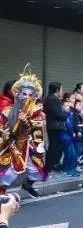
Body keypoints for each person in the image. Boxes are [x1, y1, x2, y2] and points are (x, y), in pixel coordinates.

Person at [0, 67, 48, 198]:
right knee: (10, 172)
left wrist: (26, 122)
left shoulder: (37, 112)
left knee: (38, 171)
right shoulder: (8, 110)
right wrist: (5, 134)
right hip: (10, 145)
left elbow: (37, 130)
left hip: (29, 144)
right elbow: (2, 126)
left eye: (30, 94)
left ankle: (27, 184)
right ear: (18, 94)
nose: (27, 97)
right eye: (24, 94)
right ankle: (2, 192)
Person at [44, 81, 67, 173]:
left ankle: (52, 164)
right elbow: (58, 114)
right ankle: (49, 166)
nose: (62, 91)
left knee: (56, 147)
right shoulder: (52, 99)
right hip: (54, 127)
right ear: (57, 90)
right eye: (61, 89)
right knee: (54, 147)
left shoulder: (51, 98)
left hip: (54, 126)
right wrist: (66, 114)